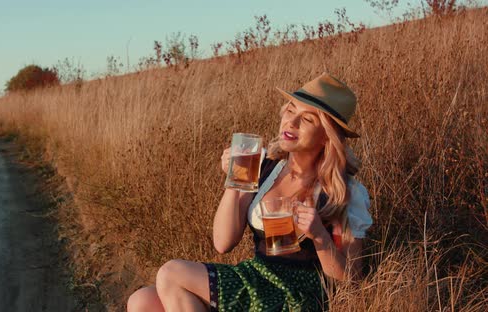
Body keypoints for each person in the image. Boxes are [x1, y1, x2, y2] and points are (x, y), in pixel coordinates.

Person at [127, 73, 373, 311]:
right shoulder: (263, 164)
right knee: (142, 302)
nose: (291, 122)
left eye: (307, 119)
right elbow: (223, 243)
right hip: (257, 277)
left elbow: (350, 280)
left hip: (295, 292)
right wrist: (234, 181)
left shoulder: (343, 192)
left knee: (172, 273)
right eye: (290, 110)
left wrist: (319, 235)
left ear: (326, 136)